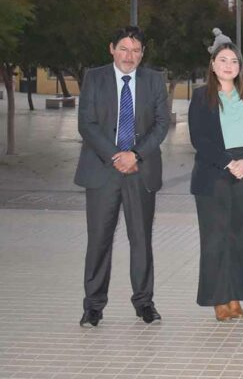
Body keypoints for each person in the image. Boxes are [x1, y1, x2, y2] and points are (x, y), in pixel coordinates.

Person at [76, 26, 169, 327]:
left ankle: (144, 304)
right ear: (112, 48)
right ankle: (93, 307)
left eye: (136, 50)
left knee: (141, 240)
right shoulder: (94, 78)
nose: (130, 56)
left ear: (143, 53)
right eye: (124, 49)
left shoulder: (155, 81)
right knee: (98, 241)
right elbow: (86, 124)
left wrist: (135, 155)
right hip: (103, 172)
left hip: (140, 172)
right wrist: (116, 156)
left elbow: (161, 124)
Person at [188, 42, 243, 321]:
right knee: (215, 240)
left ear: (240, 67)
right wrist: (227, 162)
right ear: (212, 65)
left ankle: (236, 297)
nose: (228, 65)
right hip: (214, 174)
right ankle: (218, 299)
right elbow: (199, 138)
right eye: (222, 60)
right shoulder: (200, 97)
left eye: (234, 61)